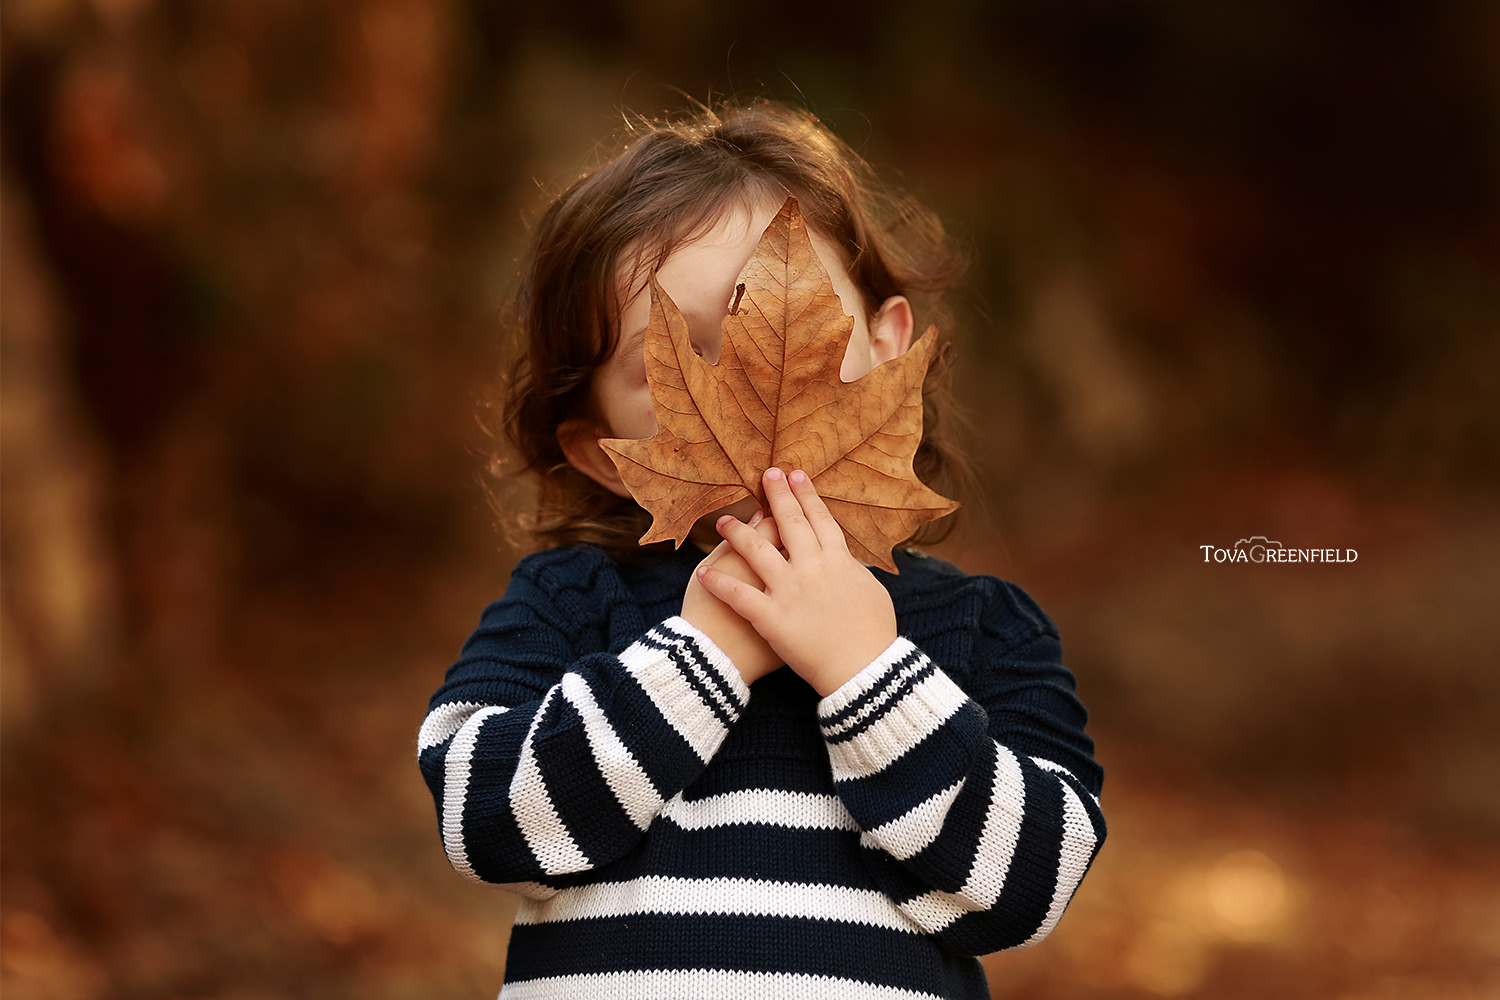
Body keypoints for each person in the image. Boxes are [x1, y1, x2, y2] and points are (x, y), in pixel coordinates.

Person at [417, 99, 1105, 1000]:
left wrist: (867, 675)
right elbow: (483, 824)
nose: (742, 385)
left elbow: (1031, 884)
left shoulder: (980, 628)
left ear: (888, 347)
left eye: (793, 322)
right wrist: (697, 660)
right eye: (676, 360)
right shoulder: (573, 600)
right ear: (604, 452)